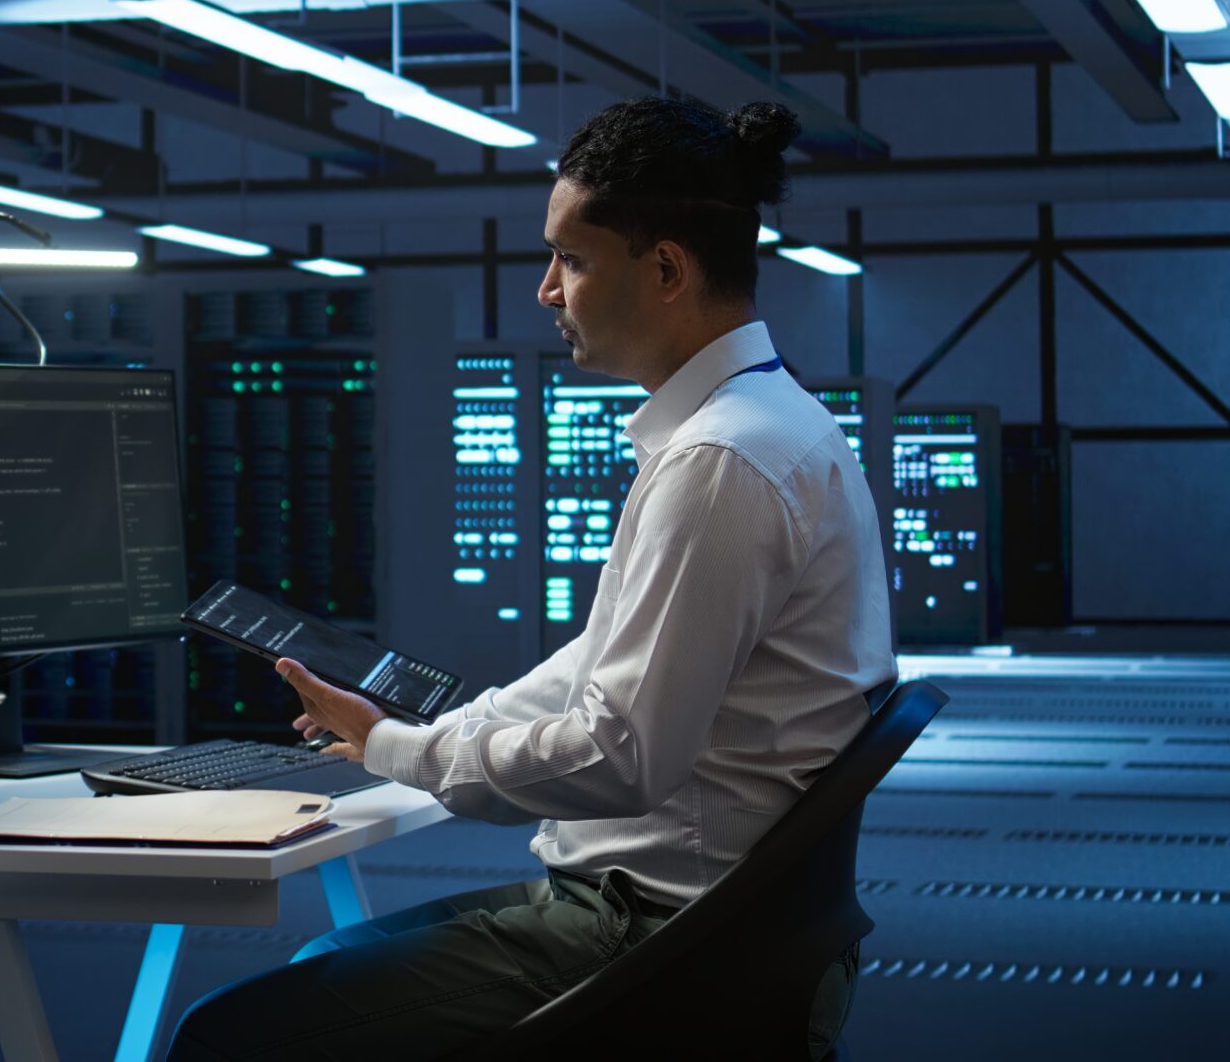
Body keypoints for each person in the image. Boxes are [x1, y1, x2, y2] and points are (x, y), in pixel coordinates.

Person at [171, 97, 897, 1061]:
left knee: (229, 1035)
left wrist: (400, 750)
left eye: (572, 260)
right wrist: (436, 728)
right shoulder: (764, 423)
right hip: (713, 920)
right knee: (325, 964)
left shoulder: (719, 462)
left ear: (667, 271)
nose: (547, 290)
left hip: (667, 937)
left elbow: (619, 754)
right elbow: (602, 661)